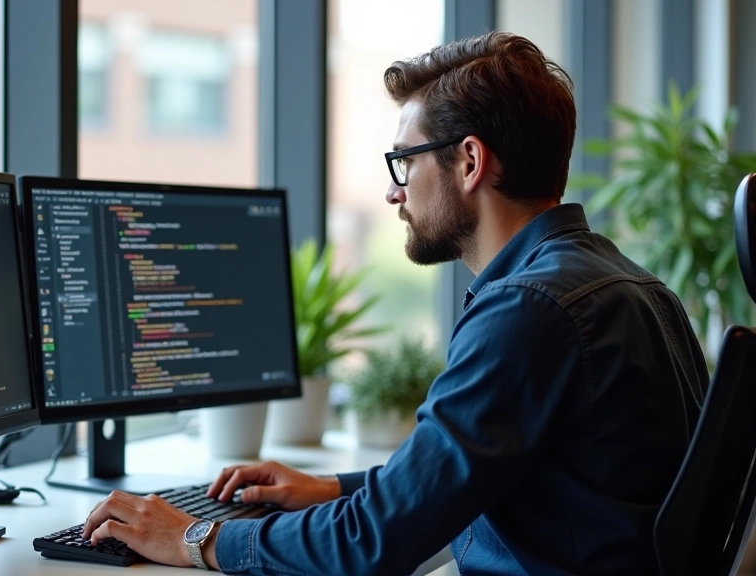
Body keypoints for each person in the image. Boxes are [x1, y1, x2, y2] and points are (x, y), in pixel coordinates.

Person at [81, 31, 709, 575]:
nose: (392, 191)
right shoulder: (635, 288)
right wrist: (331, 488)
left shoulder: (529, 310)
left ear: (470, 161)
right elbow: (455, 480)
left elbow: (376, 542)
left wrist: (195, 536)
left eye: (403, 162)